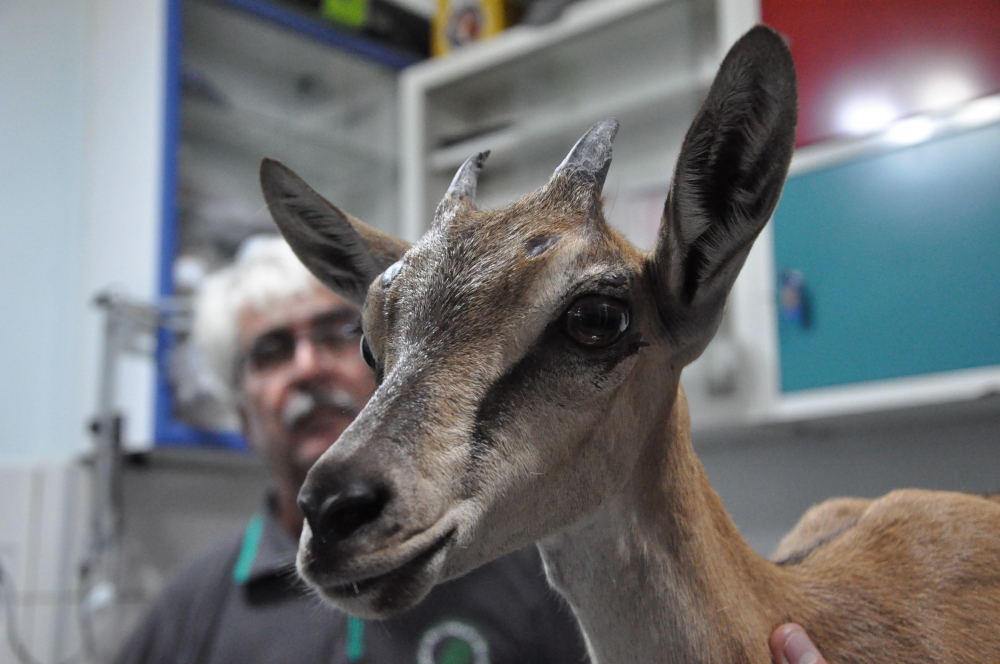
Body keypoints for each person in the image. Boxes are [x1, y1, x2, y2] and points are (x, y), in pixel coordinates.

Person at [116, 236, 828, 664]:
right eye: (271, 351)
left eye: (338, 333)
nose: (307, 366)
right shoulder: (189, 612)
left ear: (399, 367)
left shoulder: (537, 566)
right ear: (241, 408)